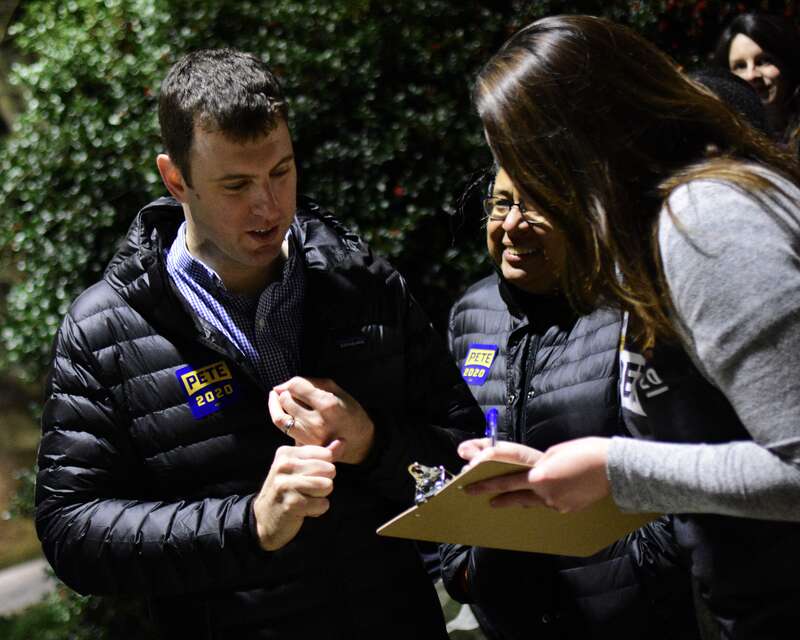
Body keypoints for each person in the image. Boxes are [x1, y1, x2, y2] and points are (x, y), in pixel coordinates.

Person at [35, 48, 484, 639]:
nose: (268, 208)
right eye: (236, 185)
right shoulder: (104, 329)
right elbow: (72, 532)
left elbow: (467, 461)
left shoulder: (366, 285)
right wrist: (249, 523)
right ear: (176, 180)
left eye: (281, 171)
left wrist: (374, 442)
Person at [457, 15, 800, 639]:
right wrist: (559, 472)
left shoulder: (708, 225)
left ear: (581, 142)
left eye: (524, 158)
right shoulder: (644, 237)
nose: (519, 186)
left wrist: (616, 467)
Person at [439, 168, 698, 640]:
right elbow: (448, 450)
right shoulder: (471, 314)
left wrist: (641, 572)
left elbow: (682, 462)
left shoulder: (634, 308)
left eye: (537, 205)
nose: (512, 225)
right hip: (512, 620)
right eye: (501, 204)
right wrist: (464, 563)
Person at [712, 13, 800, 156]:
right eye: (740, 66)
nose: (751, 75)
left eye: (763, 61)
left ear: (787, 63)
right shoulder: (723, 146)